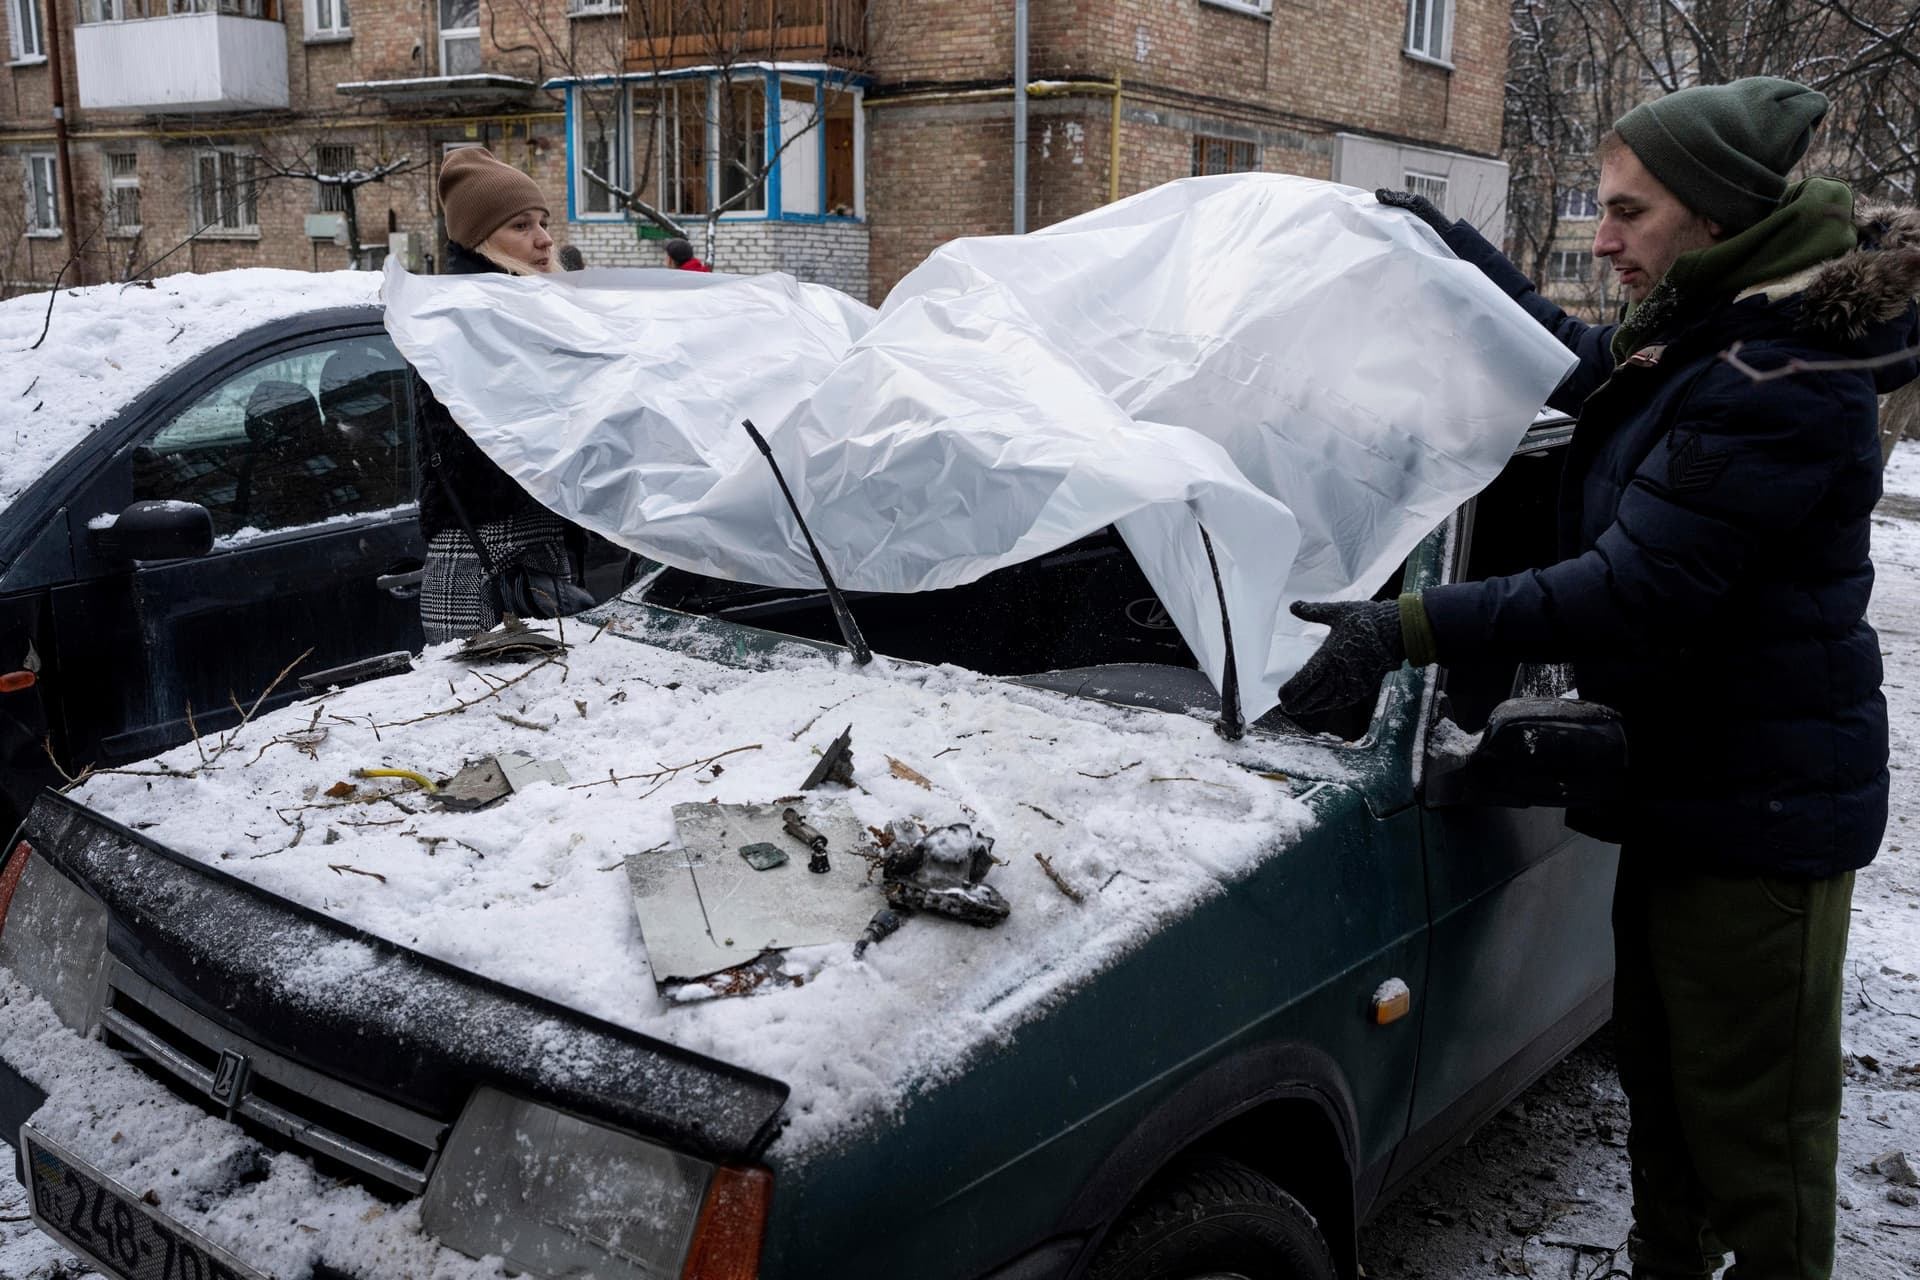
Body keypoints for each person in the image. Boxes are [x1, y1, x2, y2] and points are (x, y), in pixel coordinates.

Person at [1282, 77, 1915, 1280]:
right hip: (1691, 784)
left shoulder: (1784, 378)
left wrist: (1403, 626)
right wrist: (1454, 253)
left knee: (1755, 1131)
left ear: (1715, 215)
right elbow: (1589, 372)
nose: (1604, 236)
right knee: (1666, 1087)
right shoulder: (1719, 323)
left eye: (1629, 212)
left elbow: (1634, 586)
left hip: (1764, 814)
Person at [413, 146, 586, 643]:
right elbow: (478, 462)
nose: (544, 238)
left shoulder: (529, 311)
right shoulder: (459, 322)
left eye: (543, 222)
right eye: (521, 226)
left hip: (535, 555)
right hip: (481, 565)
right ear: (481, 239)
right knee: (485, 690)